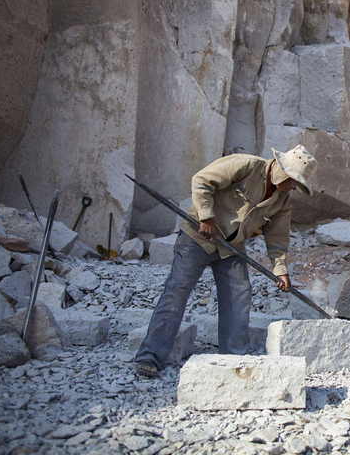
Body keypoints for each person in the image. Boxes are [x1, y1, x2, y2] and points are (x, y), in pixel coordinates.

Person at [134, 145, 318, 377]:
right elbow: (201, 181)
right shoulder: (245, 165)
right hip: (197, 238)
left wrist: (280, 269)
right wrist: (206, 217)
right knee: (176, 291)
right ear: (281, 169)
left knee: (239, 296)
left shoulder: (282, 201)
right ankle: (150, 355)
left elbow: (278, 237)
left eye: (298, 184)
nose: (293, 187)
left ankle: (233, 360)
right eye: (293, 181)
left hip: (231, 248)